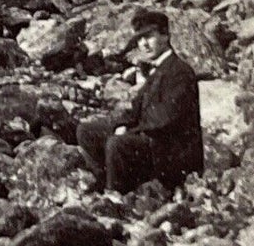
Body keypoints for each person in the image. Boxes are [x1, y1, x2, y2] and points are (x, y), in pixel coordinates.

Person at [77, 16, 204, 195]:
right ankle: (106, 180)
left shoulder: (180, 72)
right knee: (87, 131)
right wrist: (119, 124)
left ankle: (115, 196)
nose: (143, 44)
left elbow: (165, 119)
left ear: (165, 36)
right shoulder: (157, 70)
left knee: (117, 143)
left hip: (172, 153)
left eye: (149, 36)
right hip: (153, 142)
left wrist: (131, 131)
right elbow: (136, 110)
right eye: (140, 38)